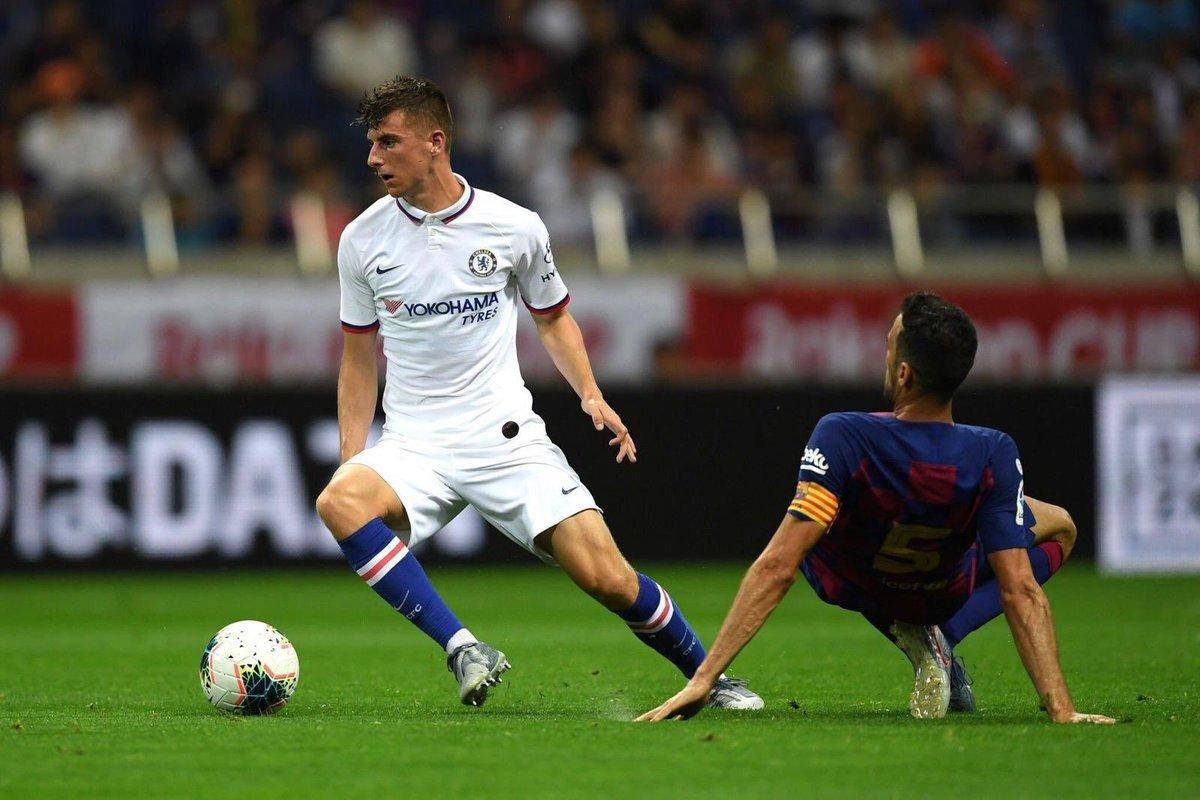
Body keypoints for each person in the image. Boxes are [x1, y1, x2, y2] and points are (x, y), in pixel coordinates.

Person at [314, 75, 761, 710]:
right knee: (340, 501)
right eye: (372, 144)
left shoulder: (513, 226)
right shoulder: (361, 240)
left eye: (388, 143)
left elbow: (552, 317)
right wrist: (354, 452)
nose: (372, 158)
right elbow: (359, 354)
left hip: (504, 438)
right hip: (414, 444)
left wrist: (589, 392)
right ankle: (464, 648)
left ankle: (710, 678)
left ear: (435, 142)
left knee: (608, 578)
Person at [638, 292, 1115, 724]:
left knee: (809, 522)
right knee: (1062, 528)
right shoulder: (993, 451)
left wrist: (704, 679)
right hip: (940, 590)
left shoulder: (844, 434)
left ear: (904, 373)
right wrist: (1062, 710)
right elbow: (1020, 590)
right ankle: (946, 632)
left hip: (853, 582)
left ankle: (933, 636)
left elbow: (779, 566)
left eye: (890, 346)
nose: (885, 356)